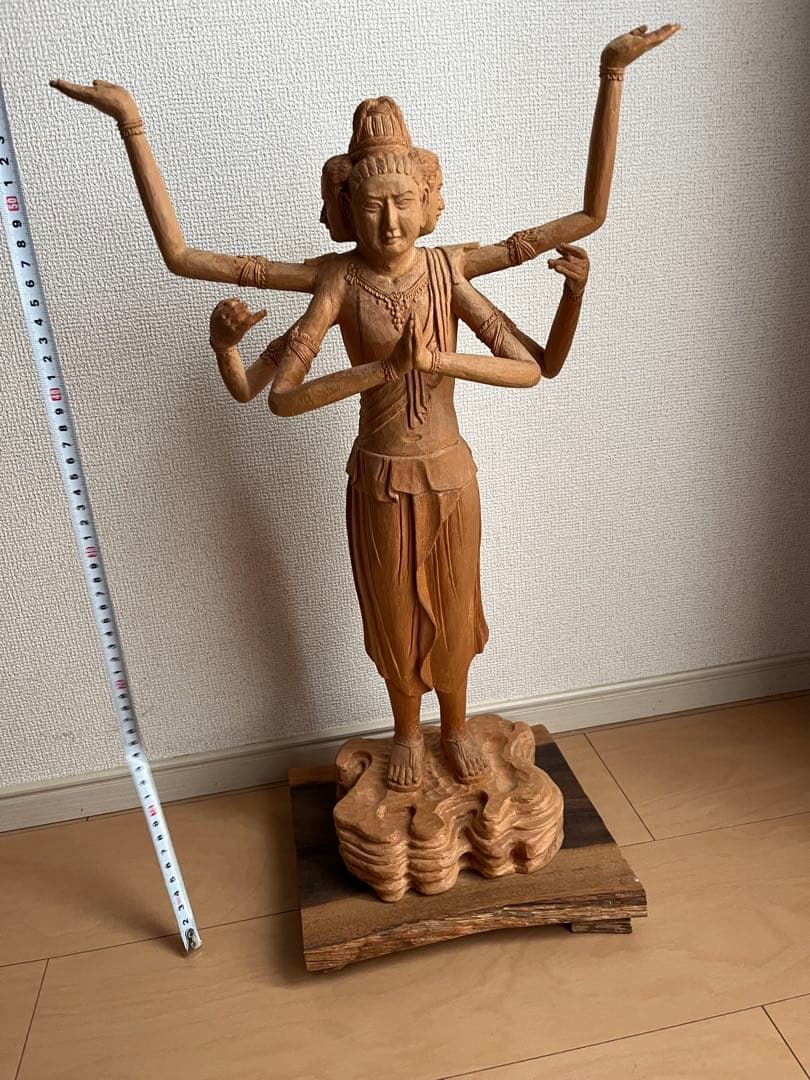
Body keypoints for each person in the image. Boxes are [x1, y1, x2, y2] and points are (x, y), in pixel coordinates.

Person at [51, 23, 679, 791]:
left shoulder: (449, 270)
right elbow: (219, 312)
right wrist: (132, 125)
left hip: (450, 476)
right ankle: (408, 733)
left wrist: (611, 76)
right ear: (348, 207)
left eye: (403, 203)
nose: (389, 222)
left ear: (427, 202)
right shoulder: (337, 281)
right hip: (379, 478)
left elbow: (558, 304)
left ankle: (456, 727)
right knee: (391, 611)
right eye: (374, 205)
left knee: (453, 608)